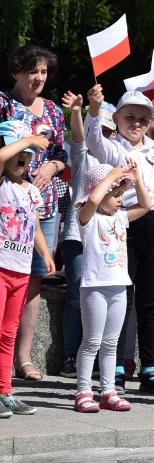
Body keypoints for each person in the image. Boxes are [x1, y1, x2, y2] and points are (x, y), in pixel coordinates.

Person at [85, 86, 154, 393]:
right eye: (129, 117)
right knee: (123, 299)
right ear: (118, 118)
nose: (135, 123)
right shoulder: (114, 148)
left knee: (152, 299)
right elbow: (94, 141)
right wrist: (94, 111)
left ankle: (150, 366)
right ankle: (119, 366)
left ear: (150, 123)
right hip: (127, 221)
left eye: (142, 118)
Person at [1, 44, 67, 383]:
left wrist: (52, 167)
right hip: (6, 205)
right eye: (32, 71)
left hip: (43, 206)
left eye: (43, 72)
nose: (38, 77)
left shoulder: (54, 111)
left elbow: (62, 155)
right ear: (16, 72)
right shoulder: (2, 103)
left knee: (33, 282)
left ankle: (23, 358)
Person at [74, 162, 152, 413]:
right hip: (95, 288)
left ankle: (108, 390)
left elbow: (147, 205)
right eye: (116, 194)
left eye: (120, 194)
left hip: (119, 286)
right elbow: (95, 199)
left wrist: (137, 180)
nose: (120, 199)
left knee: (111, 342)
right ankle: (83, 391)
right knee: (91, 341)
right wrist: (112, 176)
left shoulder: (120, 217)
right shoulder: (87, 218)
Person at [58, 92, 116, 379]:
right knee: (76, 294)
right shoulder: (84, 157)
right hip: (77, 234)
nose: (103, 134)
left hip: (109, 238)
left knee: (105, 296)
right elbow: (79, 138)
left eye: (108, 130)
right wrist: (78, 111)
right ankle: (72, 355)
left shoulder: (118, 156)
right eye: (100, 128)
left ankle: (98, 360)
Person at [0, 121, 51, 416]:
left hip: (20, 271)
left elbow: (35, 227)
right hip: (1, 267)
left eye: (29, 153)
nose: (23, 157)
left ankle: (5, 390)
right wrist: (27, 138)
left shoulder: (32, 190)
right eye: (18, 150)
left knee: (9, 332)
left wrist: (45, 254)